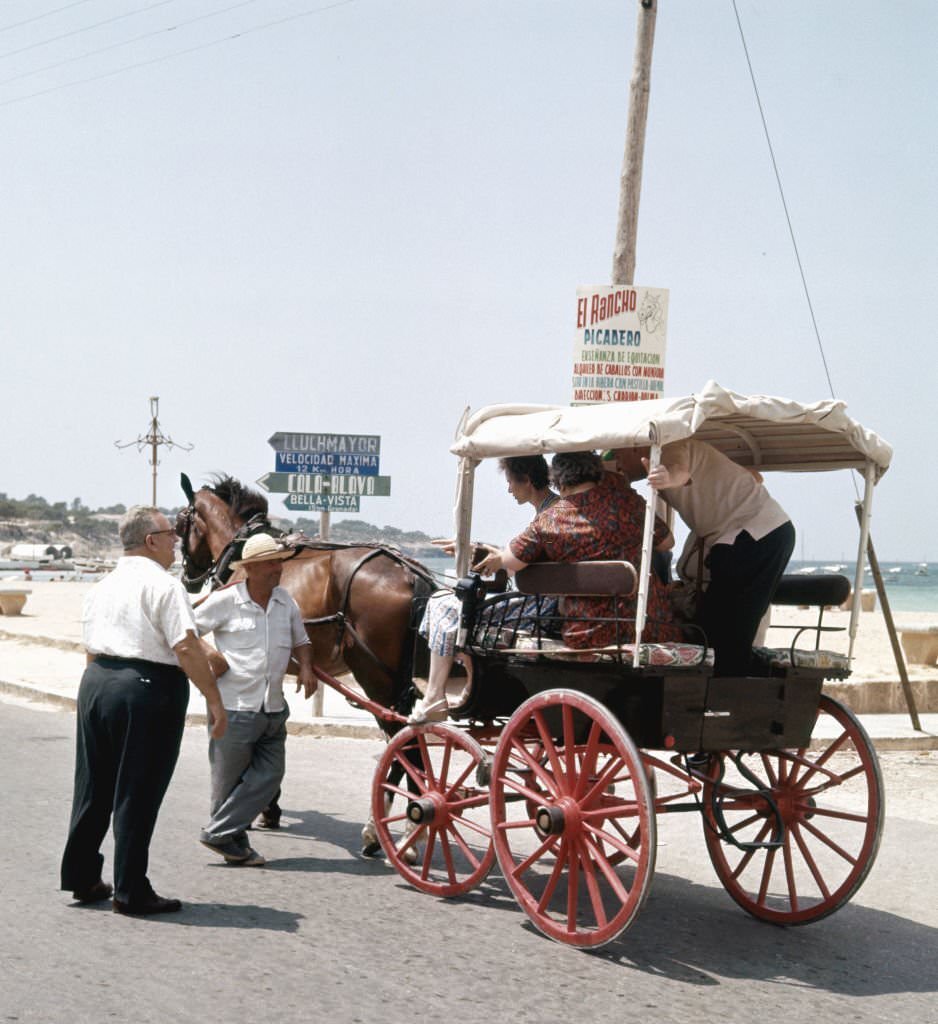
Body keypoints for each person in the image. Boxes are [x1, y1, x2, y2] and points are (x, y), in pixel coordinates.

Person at [410, 451, 678, 724]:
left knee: (445, 606)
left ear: (559, 481)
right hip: (646, 622)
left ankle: (434, 696)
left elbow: (511, 563)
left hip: (588, 626)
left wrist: (487, 555)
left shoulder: (554, 518)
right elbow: (667, 543)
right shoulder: (629, 503)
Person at [60, 506, 227, 916]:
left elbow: (90, 647)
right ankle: (131, 890)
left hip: (97, 681)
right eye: (171, 533)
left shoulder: (101, 587)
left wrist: (96, 694)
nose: (176, 541)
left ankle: (82, 876)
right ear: (150, 540)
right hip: (148, 689)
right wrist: (213, 698)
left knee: (93, 785)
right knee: (138, 790)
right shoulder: (164, 586)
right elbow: (186, 647)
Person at [613, 441, 795, 676]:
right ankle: (729, 681)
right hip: (741, 538)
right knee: (711, 625)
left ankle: (735, 687)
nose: (617, 461)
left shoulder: (673, 447)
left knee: (730, 628)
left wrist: (669, 478)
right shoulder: (670, 458)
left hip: (754, 534)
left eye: (618, 454)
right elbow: (754, 476)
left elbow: (680, 471)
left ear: (635, 448)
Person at [194, 532, 317, 866]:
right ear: (250, 568)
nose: (278, 568)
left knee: (271, 773)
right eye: (271, 563)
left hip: (273, 707)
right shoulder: (226, 600)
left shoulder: (285, 602)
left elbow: (301, 640)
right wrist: (211, 654)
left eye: (278, 561)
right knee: (227, 782)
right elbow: (187, 630)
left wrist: (306, 668)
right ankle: (232, 843)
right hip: (234, 706)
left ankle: (218, 833)